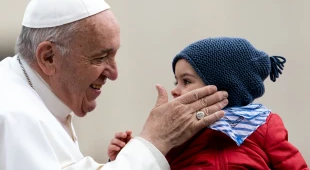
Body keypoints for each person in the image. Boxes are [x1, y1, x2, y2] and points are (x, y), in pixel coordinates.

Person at [0, 0, 229, 170]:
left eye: (114, 55)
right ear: (49, 57)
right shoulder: (13, 115)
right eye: (100, 57)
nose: (114, 73)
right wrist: (154, 142)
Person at [109, 37, 308, 169]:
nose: (175, 90)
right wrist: (129, 155)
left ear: (222, 85)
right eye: (175, 81)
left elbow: (292, 165)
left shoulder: (262, 124)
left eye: (186, 81)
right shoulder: (177, 131)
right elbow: (155, 163)